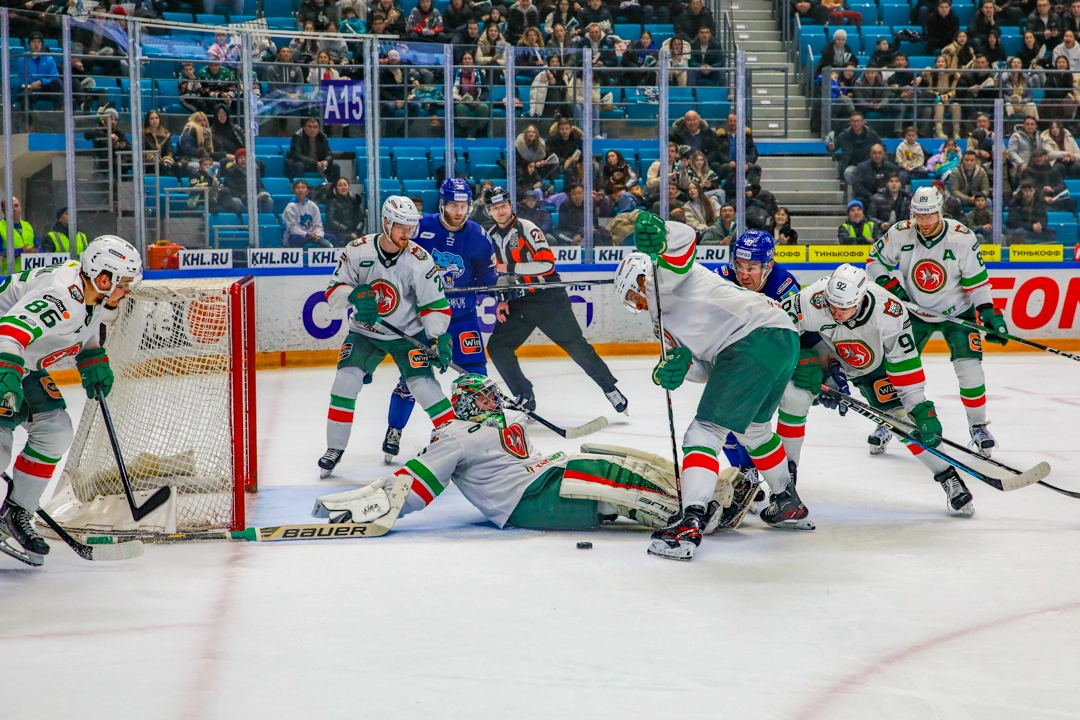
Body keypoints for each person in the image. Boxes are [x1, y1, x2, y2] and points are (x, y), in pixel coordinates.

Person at [621, 216, 811, 562]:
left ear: (641, 280)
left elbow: (682, 243)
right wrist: (679, 369)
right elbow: (706, 370)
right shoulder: (660, 319)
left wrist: (661, 236)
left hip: (754, 338)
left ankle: (689, 523)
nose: (635, 305)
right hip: (780, 339)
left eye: (632, 296)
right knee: (755, 430)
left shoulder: (664, 279)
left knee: (704, 431)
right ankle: (788, 501)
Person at [313, 376, 714, 536]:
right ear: (469, 405)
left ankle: (693, 495)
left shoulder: (499, 417)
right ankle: (682, 513)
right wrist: (371, 506)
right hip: (527, 502)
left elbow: (514, 414)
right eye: (485, 396)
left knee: (620, 461)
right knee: (603, 472)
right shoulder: (452, 436)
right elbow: (414, 489)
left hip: (547, 480)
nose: (494, 399)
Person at [776, 264, 970, 516]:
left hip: (873, 368)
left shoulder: (889, 311)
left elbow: (904, 365)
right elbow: (776, 327)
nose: (835, 313)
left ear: (860, 298)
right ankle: (783, 484)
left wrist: (919, 407)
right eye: (831, 305)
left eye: (843, 308)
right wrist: (800, 358)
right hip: (826, 355)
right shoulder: (813, 298)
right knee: (793, 397)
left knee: (902, 421)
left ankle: (948, 475)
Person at [0, 236, 141, 566]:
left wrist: (91, 356)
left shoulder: (90, 292)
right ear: (104, 279)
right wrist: (6, 376)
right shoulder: (61, 297)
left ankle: (16, 512)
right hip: (6, 352)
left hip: (22, 361)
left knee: (56, 429)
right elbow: (9, 331)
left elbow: (84, 322)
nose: (126, 291)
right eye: (123, 284)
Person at [318, 196, 454, 477]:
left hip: (407, 334)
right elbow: (333, 290)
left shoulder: (419, 260)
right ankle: (335, 448)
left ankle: (456, 444)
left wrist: (438, 336)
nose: (408, 233)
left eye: (411, 227)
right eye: (401, 227)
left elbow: (434, 304)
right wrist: (353, 294)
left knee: (425, 387)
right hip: (365, 334)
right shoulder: (357, 251)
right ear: (386, 223)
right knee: (345, 381)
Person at [868, 185, 1007, 457]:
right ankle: (887, 421)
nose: (924, 222)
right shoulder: (900, 232)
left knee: (970, 370)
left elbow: (977, 283)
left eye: (929, 215)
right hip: (913, 311)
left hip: (956, 312)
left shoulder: (962, 238)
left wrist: (988, 311)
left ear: (940, 211)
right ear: (912, 214)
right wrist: (888, 284)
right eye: (919, 216)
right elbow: (875, 260)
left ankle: (978, 426)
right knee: (894, 370)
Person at [379, 179, 498, 462]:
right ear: (442, 204)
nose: (459, 211)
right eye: (453, 205)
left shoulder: (479, 236)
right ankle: (394, 430)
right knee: (412, 378)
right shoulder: (419, 228)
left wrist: (491, 286)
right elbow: (397, 262)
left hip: (463, 319)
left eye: (463, 205)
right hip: (423, 320)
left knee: (477, 377)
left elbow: (487, 275)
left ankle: (483, 433)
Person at [483, 187, 627, 414]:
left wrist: (508, 267)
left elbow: (547, 264)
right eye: (494, 207)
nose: (500, 211)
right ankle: (524, 395)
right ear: (489, 211)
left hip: (548, 298)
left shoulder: (527, 228)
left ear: (510, 206)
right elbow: (500, 275)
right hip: (518, 301)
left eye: (503, 206)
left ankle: (609, 388)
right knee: (498, 347)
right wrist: (501, 299)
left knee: (577, 347)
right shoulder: (491, 236)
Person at [830, 113, 882, 186]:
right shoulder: (844, 135)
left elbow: (882, 147)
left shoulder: (871, 134)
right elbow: (833, 147)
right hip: (852, 165)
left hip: (869, 164)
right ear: (850, 122)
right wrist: (831, 146)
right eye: (853, 121)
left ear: (863, 122)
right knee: (848, 172)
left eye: (858, 121)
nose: (856, 123)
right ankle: (855, 190)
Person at [669, 111, 724, 177]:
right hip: (684, 163)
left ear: (699, 120)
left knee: (716, 165)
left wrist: (704, 160)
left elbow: (715, 150)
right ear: (685, 121)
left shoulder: (708, 133)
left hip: (705, 163)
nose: (692, 123)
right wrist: (680, 158)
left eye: (694, 119)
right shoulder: (676, 134)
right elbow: (671, 149)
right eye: (689, 120)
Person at [16, 33, 62, 113]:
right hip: (30, 88)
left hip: (45, 88)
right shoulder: (22, 59)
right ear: (29, 43)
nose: (36, 44)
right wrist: (33, 85)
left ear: (42, 44)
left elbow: (54, 76)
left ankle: (65, 107)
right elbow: (23, 77)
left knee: (57, 82)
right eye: (34, 41)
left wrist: (41, 81)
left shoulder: (49, 58)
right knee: (24, 96)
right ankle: (29, 123)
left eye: (39, 42)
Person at [286, 118, 341, 184]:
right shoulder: (297, 136)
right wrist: (315, 163)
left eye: (315, 127)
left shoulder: (323, 137)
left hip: (317, 164)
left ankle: (333, 188)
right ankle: (293, 187)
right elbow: (297, 156)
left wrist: (326, 161)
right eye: (309, 126)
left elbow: (329, 154)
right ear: (304, 127)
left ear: (318, 129)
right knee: (299, 166)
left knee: (335, 167)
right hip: (301, 163)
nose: (312, 129)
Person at [222, 149, 274, 217]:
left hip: (254, 199)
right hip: (240, 198)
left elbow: (260, 186)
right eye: (240, 157)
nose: (243, 160)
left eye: (245, 157)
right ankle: (239, 223)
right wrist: (244, 197)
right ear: (236, 159)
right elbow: (231, 189)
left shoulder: (254, 172)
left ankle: (264, 222)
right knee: (235, 201)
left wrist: (261, 193)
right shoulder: (231, 172)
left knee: (269, 201)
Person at [283, 180, 333, 248]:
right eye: (298, 188)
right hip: (299, 235)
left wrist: (318, 235)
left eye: (303, 188)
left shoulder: (313, 206)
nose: (300, 190)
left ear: (307, 191)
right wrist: (307, 234)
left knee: (332, 238)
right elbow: (292, 228)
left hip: (313, 235)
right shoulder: (290, 207)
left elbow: (318, 225)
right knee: (294, 238)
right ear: (294, 191)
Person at [452, 52, 490, 139]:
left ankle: (479, 132)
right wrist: (457, 98)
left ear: (473, 61)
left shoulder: (479, 73)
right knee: (461, 108)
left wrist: (480, 99)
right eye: (465, 59)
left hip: (476, 99)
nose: (467, 61)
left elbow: (485, 91)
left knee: (484, 107)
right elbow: (449, 89)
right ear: (461, 61)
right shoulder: (455, 73)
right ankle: (463, 132)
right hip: (460, 100)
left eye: (470, 59)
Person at [924, 55, 961, 140]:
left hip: (948, 100)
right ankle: (939, 131)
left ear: (946, 64)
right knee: (939, 105)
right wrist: (939, 95)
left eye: (942, 62)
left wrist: (948, 95)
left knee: (956, 106)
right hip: (936, 100)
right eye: (938, 62)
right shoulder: (931, 75)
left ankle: (956, 132)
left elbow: (953, 90)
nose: (940, 64)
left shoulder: (952, 75)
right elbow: (929, 90)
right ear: (936, 64)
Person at [852, 143, 900, 207]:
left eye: (880, 153)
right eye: (874, 153)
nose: (877, 155)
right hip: (867, 197)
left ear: (883, 154)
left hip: (887, 197)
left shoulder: (892, 167)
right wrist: (871, 196)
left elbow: (899, 184)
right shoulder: (862, 167)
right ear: (870, 154)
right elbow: (857, 186)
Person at [0, 197, 36, 276]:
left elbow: (37, 245)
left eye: (16, 206)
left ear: (20, 208)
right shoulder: (0, 228)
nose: (14, 209)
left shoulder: (27, 225)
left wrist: (36, 251)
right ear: (3, 210)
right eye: (10, 207)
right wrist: (20, 251)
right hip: (10, 276)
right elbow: (1, 252)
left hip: (30, 274)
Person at [324, 177, 364, 245]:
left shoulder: (354, 200)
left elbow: (361, 219)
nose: (343, 187)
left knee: (367, 240)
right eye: (340, 185)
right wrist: (348, 231)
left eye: (345, 185)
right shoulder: (332, 202)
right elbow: (332, 221)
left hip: (355, 232)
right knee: (349, 239)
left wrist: (356, 232)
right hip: (338, 233)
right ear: (336, 188)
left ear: (348, 186)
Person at [142, 110, 176, 175]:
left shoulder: (166, 133)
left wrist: (168, 158)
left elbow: (170, 149)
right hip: (149, 162)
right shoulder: (143, 134)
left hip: (163, 160)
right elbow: (141, 150)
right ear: (148, 121)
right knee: (161, 167)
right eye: (152, 119)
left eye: (157, 118)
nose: (155, 120)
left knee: (176, 166)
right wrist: (151, 157)